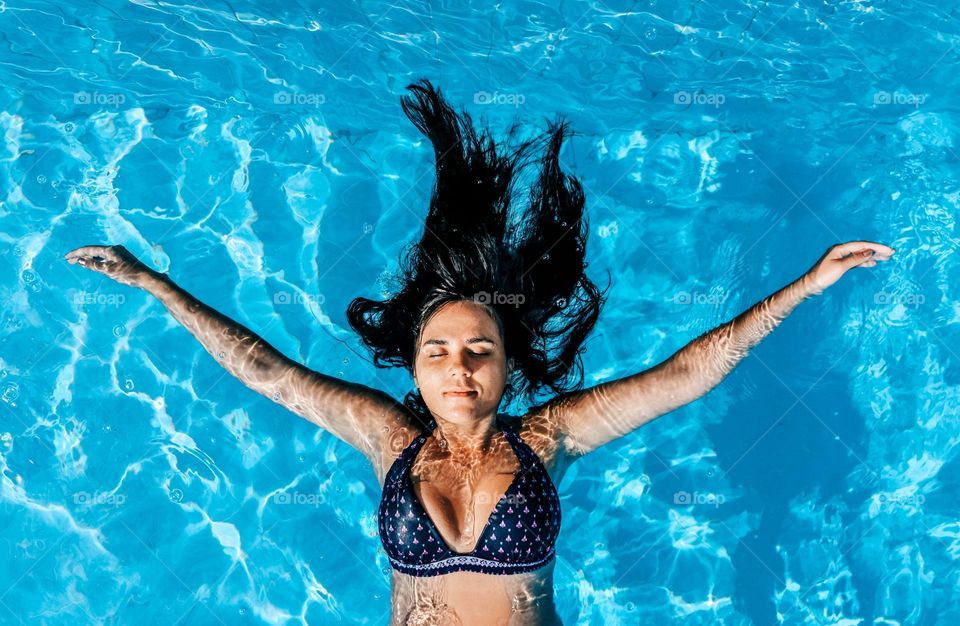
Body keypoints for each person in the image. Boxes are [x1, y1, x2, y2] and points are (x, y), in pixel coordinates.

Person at [64, 78, 895, 625]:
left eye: (477, 349)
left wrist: (804, 287)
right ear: (415, 363)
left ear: (507, 361)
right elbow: (265, 371)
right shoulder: (385, 437)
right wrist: (155, 286)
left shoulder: (551, 438)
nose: (458, 367)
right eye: (439, 351)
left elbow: (684, 375)